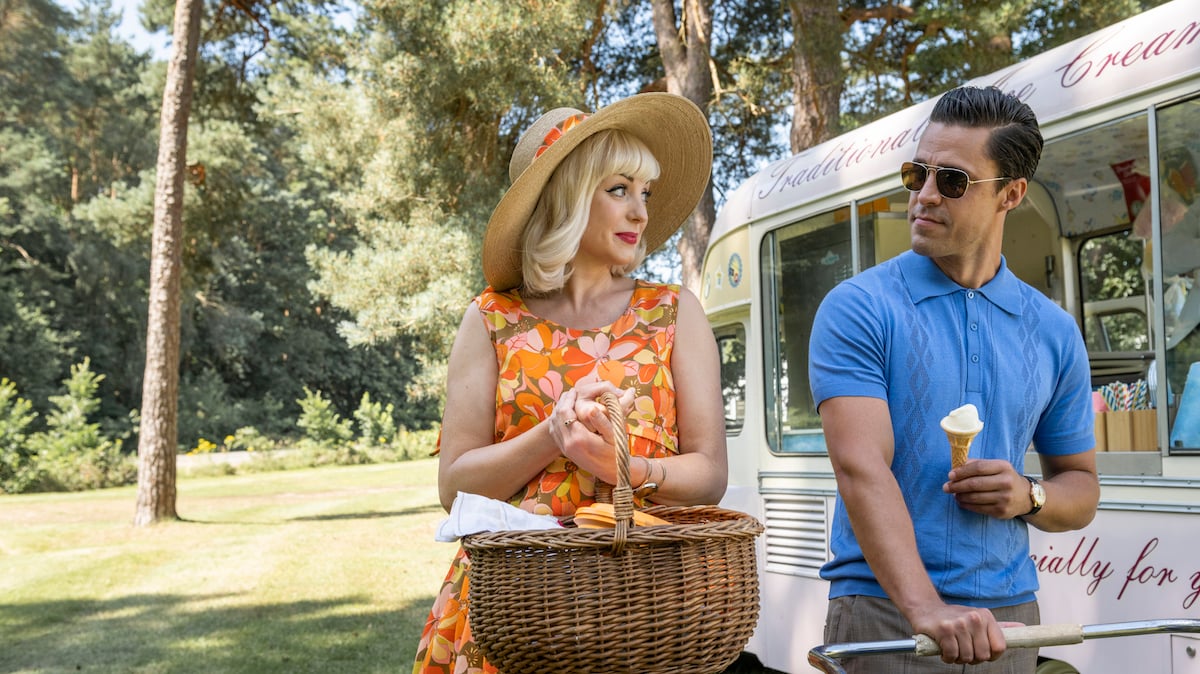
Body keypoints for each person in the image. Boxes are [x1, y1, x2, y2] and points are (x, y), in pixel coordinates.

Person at [411, 92, 728, 674]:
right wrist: (553, 435)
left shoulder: (674, 311)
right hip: (509, 611)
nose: (640, 212)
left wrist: (626, 470)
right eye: (619, 190)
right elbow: (454, 489)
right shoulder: (491, 318)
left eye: (646, 194)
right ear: (567, 199)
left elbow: (710, 475)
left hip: (644, 610)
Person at [808, 86, 1100, 673]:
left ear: (1011, 195)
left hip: (1009, 621)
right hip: (885, 613)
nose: (924, 195)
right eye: (917, 174)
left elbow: (1081, 487)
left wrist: (1028, 495)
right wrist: (926, 609)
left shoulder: (1054, 330)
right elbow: (860, 468)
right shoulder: (859, 307)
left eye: (953, 181)